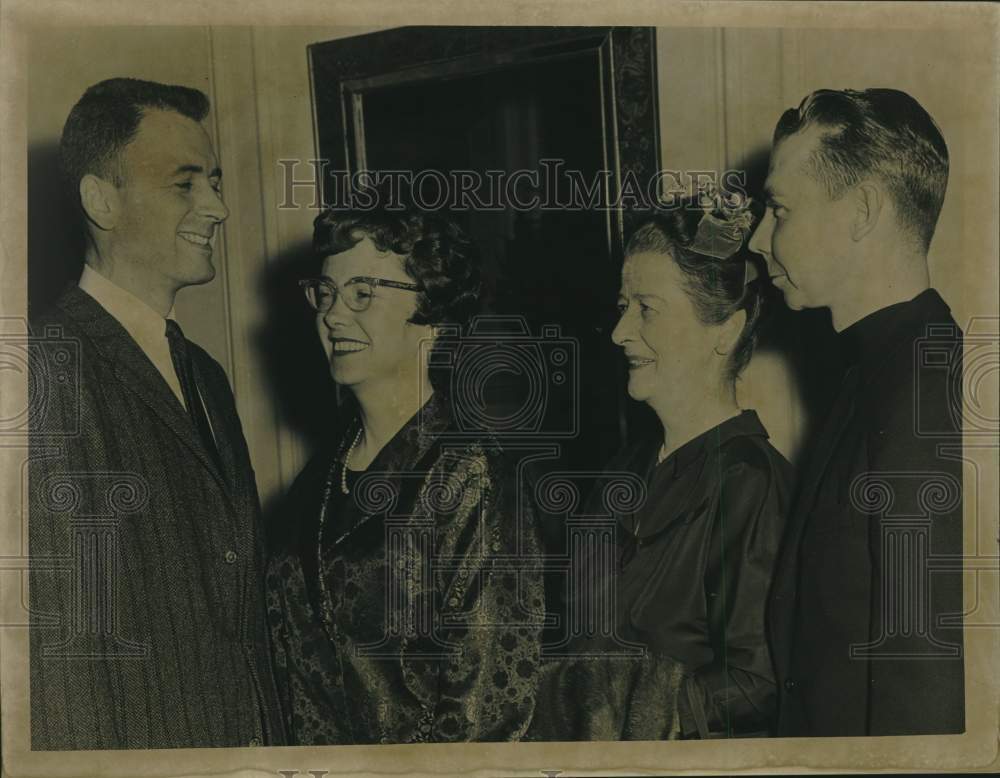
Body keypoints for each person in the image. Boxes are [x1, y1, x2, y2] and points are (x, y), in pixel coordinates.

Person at [28, 78, 284, 749]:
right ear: (102, 200)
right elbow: (50, 648)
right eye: (186, 183)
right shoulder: (37, 368)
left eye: (217, 182)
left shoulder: (205, 374)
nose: (219, 208)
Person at [265, 206, 546, 745]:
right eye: (325, 293)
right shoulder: (318, 478)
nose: (334, 315)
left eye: (363, 293)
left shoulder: (470, 475)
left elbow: (488, 718)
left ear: (432, 317)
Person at [528, 191, 792, 740]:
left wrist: (618, 707)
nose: (620, 331)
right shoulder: (622, 471)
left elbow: (757, 682)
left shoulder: (750, 483)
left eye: (646, 308)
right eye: (622, 306)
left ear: (725, 331)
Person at [750, 88, 965, 736]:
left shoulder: (923, 389)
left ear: (862, 210)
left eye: (780, 210)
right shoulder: (875, 371)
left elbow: (922, 684)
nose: (760, 239)